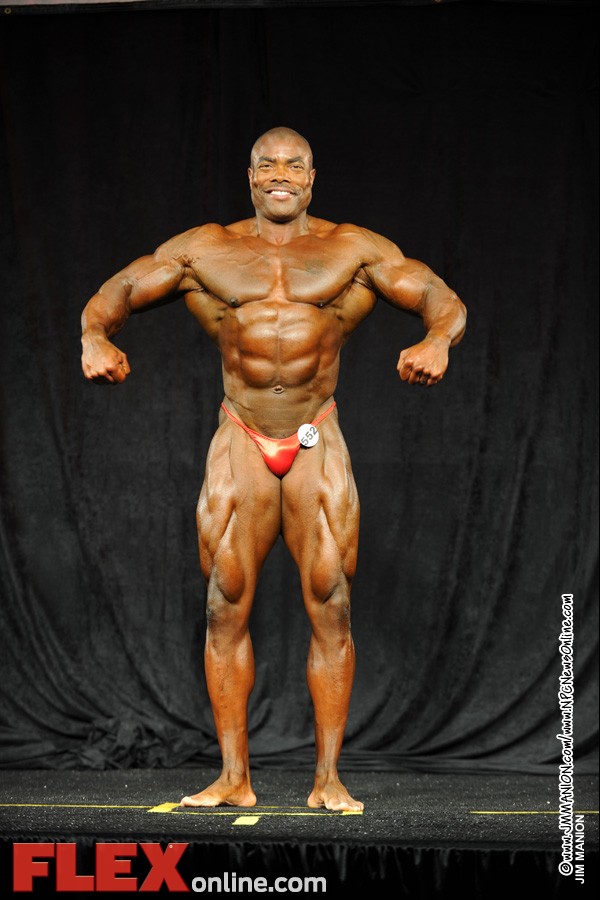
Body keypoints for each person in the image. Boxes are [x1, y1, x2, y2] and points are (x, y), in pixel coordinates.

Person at [81, 126, 466, 812]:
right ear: (251, 177)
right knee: (224, 600)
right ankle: (233, 777)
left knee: (331, 599)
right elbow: (124, 286)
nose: (281, 174)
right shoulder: (206, 249)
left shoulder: (353, 249)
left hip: (316, 434)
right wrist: (93, 335)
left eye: (294, 165)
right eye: (268, 165)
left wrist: (438, 338)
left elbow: (439, 295)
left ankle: (328, 779)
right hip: (242, 434)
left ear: (312, 178)